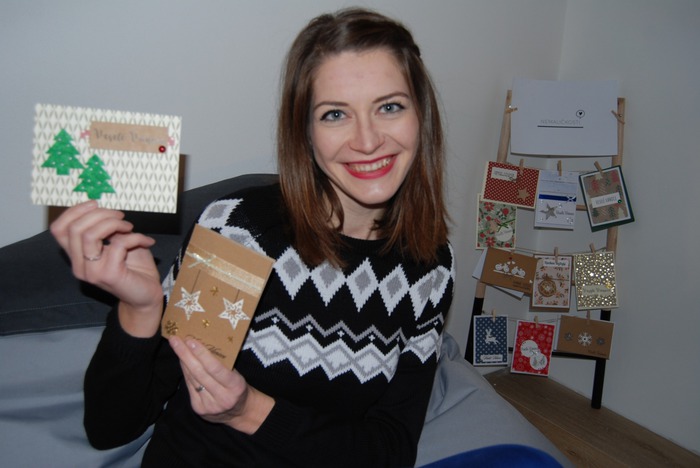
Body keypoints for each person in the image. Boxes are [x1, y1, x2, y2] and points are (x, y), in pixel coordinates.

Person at [51, 7, 454, 467]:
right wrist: (140, 311)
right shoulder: (243, 235)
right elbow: (111, 429)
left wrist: (249, 411)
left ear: (421, 116)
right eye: (335, 114)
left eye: (389, 107)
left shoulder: (430, 267)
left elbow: (390, 450)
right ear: (305, 133)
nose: (366, 140)